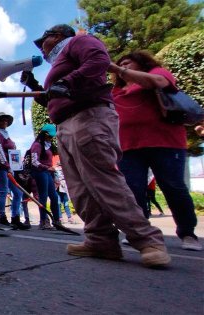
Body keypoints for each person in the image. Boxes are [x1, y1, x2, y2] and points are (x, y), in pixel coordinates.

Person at [22, 24, 171, 267]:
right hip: (67, 123)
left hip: (88, 117)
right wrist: (36, 87)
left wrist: (67, 81)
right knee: (80, 189)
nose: (42, 47)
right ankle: (100, 240)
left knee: (104, 181)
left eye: (44, 41)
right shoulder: (63, 63)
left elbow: (99, 60)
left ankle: (148, 241)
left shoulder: (79, 42)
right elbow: (55, 98)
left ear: (58, 36)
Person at [109, 50, 200, 251]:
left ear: (142, 63)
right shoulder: (116, 90)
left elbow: (159, 82)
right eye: (121, 63)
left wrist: (118, 69)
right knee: (132, 190)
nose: (124, 65)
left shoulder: (158, 73)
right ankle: (139, 232)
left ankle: (187, 233)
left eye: (128, 62)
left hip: (165, 142)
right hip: (129, 146)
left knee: (173, 187)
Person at [0, 112, 30, 230]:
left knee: (18, 193)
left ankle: (15, 218)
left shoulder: (6, 135)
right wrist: (6, 166)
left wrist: (14, 166)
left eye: (6, 120)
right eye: (2, 120)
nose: (5, 122)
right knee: (3, 191)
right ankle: (2, 217)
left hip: (9, 167)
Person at [29, 124, 61, 230]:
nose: (51, 138)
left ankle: (57, 220)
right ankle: (43, 221)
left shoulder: (49, 145)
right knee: (43, 196)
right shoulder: (37, 145)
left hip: (48, 173)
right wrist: (46, 167)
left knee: (54, 197)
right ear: (44, 134)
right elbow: (34, 161)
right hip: (40, 172)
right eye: (50, 136)